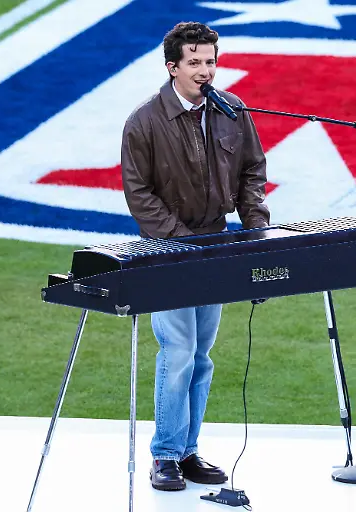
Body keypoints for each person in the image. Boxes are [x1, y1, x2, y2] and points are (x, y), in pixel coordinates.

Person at [120, 21, 270, 491]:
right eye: (196, 63)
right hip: (169, 250)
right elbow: (138, 193)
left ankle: (187, 452)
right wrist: (182, 242)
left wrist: (256, 229)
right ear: (173, 67)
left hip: (217, 243)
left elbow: (252, 170)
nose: (207, 71)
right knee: (178, 351)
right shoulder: (144, 122)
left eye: (211, 61)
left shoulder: (231, 110)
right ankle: (164, 455)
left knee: (202, 355)